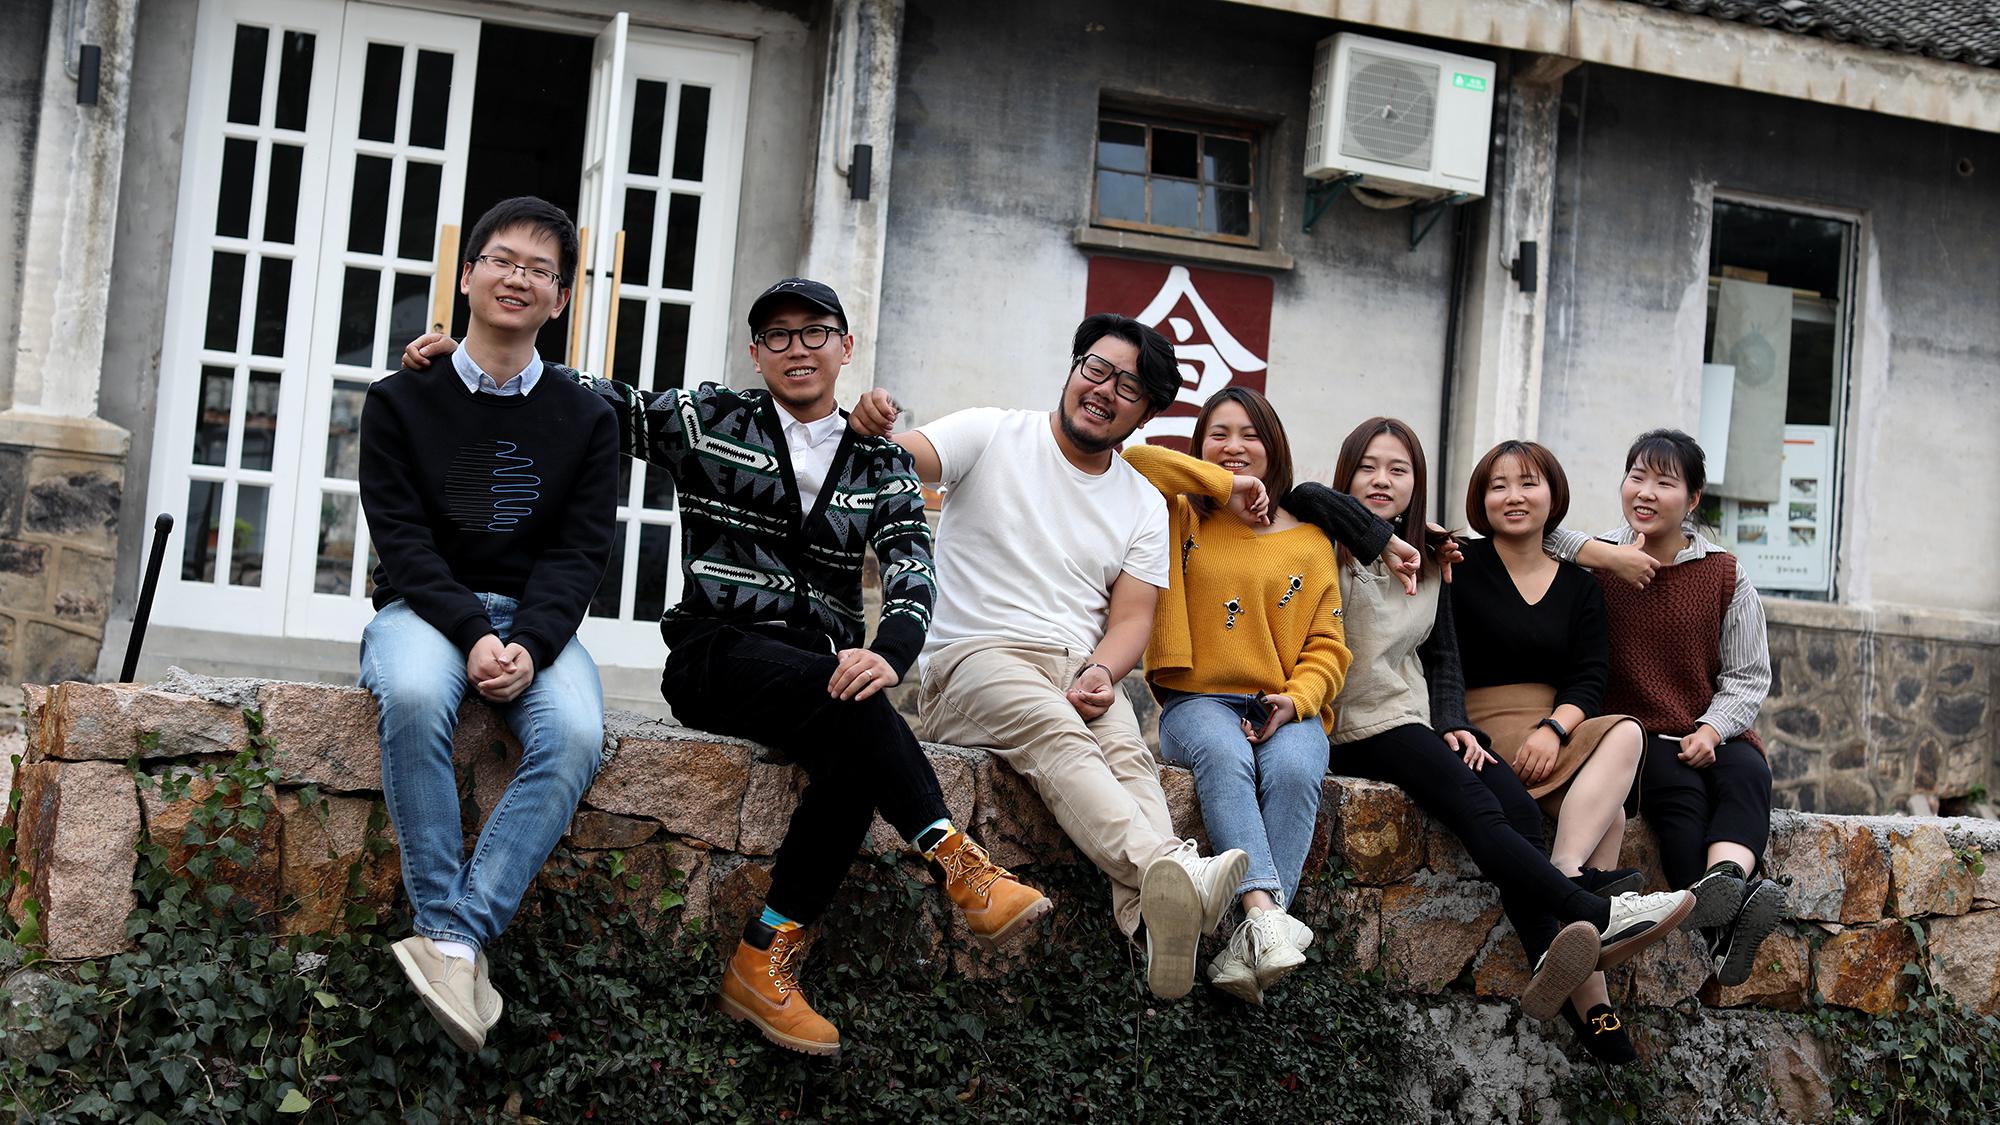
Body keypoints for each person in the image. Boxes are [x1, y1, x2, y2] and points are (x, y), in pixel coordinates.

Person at [399, 277, 1048, 1059]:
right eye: (777, 335)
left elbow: (913, 569)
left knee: (853, 751)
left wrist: (889, 652)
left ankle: (760, 959)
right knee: (847, 703)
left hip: (818, 669)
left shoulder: (881, 461)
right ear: (755, 352)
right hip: (716, 652)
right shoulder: (709, 420)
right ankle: (955, 857)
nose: (797, 348)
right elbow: (596, 398)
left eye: (815, 332)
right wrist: (476, 357)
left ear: (846, 347)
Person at [847, 315, 1250, 1001]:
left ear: (1146, 413)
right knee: (1058, 732)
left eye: (1128, 387)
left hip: (1077, 666)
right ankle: (1174, 869)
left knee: (1128, 756)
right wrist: (868, 426)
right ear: (1073, 368)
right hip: (973, 659)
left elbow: (1132, 618)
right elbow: (895, 459)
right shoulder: (992, 432)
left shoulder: (1142, 502)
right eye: (1097, 369)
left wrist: (1103, 671)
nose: (1105, 390)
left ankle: (1156, 923)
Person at [1288, 418, 1693, 1033]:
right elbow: (1303, 493)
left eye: (1398, 470)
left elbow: (1444, 657)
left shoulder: (1434, 560)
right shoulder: (1325, 538)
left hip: (1416, 719)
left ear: (1418, 482)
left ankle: (1552, 960)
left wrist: (1455, 723)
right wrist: (1383, 539)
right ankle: (1588, 909)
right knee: (1478, 805)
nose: (1382, 480)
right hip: (1355, 721)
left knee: (1519, 809)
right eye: (1368, 468)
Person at [360, 196, 617, 1053]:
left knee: (575, 731)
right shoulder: (399, 400)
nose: (518, 278)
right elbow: (403, 542)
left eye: (540, 270)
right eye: (502, 260)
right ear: (467, 274)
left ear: (561, 299)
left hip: (537, 622)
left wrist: (532, 644)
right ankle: (453, 936)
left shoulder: (588, 417)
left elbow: (579, 553)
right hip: (425, 609)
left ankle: (452, 937)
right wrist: (473, 633)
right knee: (410, 692)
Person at [1451, 439, 1692, 1062]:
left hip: (1553, 731)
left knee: (1627, 734)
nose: (1514, 496)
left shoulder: (1581, 585)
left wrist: (1555, 728)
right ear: (1480, 499)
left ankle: (1563, 878)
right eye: (1498, 485)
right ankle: (1594, 1003)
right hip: (1480, 727)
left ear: (1553, 495)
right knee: (1608, 819)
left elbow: (1589, 677)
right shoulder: (1459, 565)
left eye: (1528, 483)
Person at [1121, 387, 1360, 1003]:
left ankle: (1246, 944)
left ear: (1273, 446)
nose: (1234, 446)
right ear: (1200, 445)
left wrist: (1297, 699)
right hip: (1195, 702)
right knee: (1225, 756)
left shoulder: (1311, 540)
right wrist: (1226, 487)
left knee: (1297, 768)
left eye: (1250, 435)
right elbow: (1136, 459)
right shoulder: (1182, 512)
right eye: (1219, 434)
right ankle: (1264, 917)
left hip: (1283, 701)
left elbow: (1328, 646)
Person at [1543, 429, 1784, 987]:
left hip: (1710, 727)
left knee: (1749, 773)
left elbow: (1748, 676)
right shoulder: (1596, 560)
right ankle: (1725, 928)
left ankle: (1724, 880)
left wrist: (1712, 729)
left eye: (1664, 482)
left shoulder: (1724, 573)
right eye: (1637, 477)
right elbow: (1541, 533)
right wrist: (1612, 557)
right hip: (1634, 733)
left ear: (1693, 499)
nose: (1646, 492)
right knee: (1680, 800)